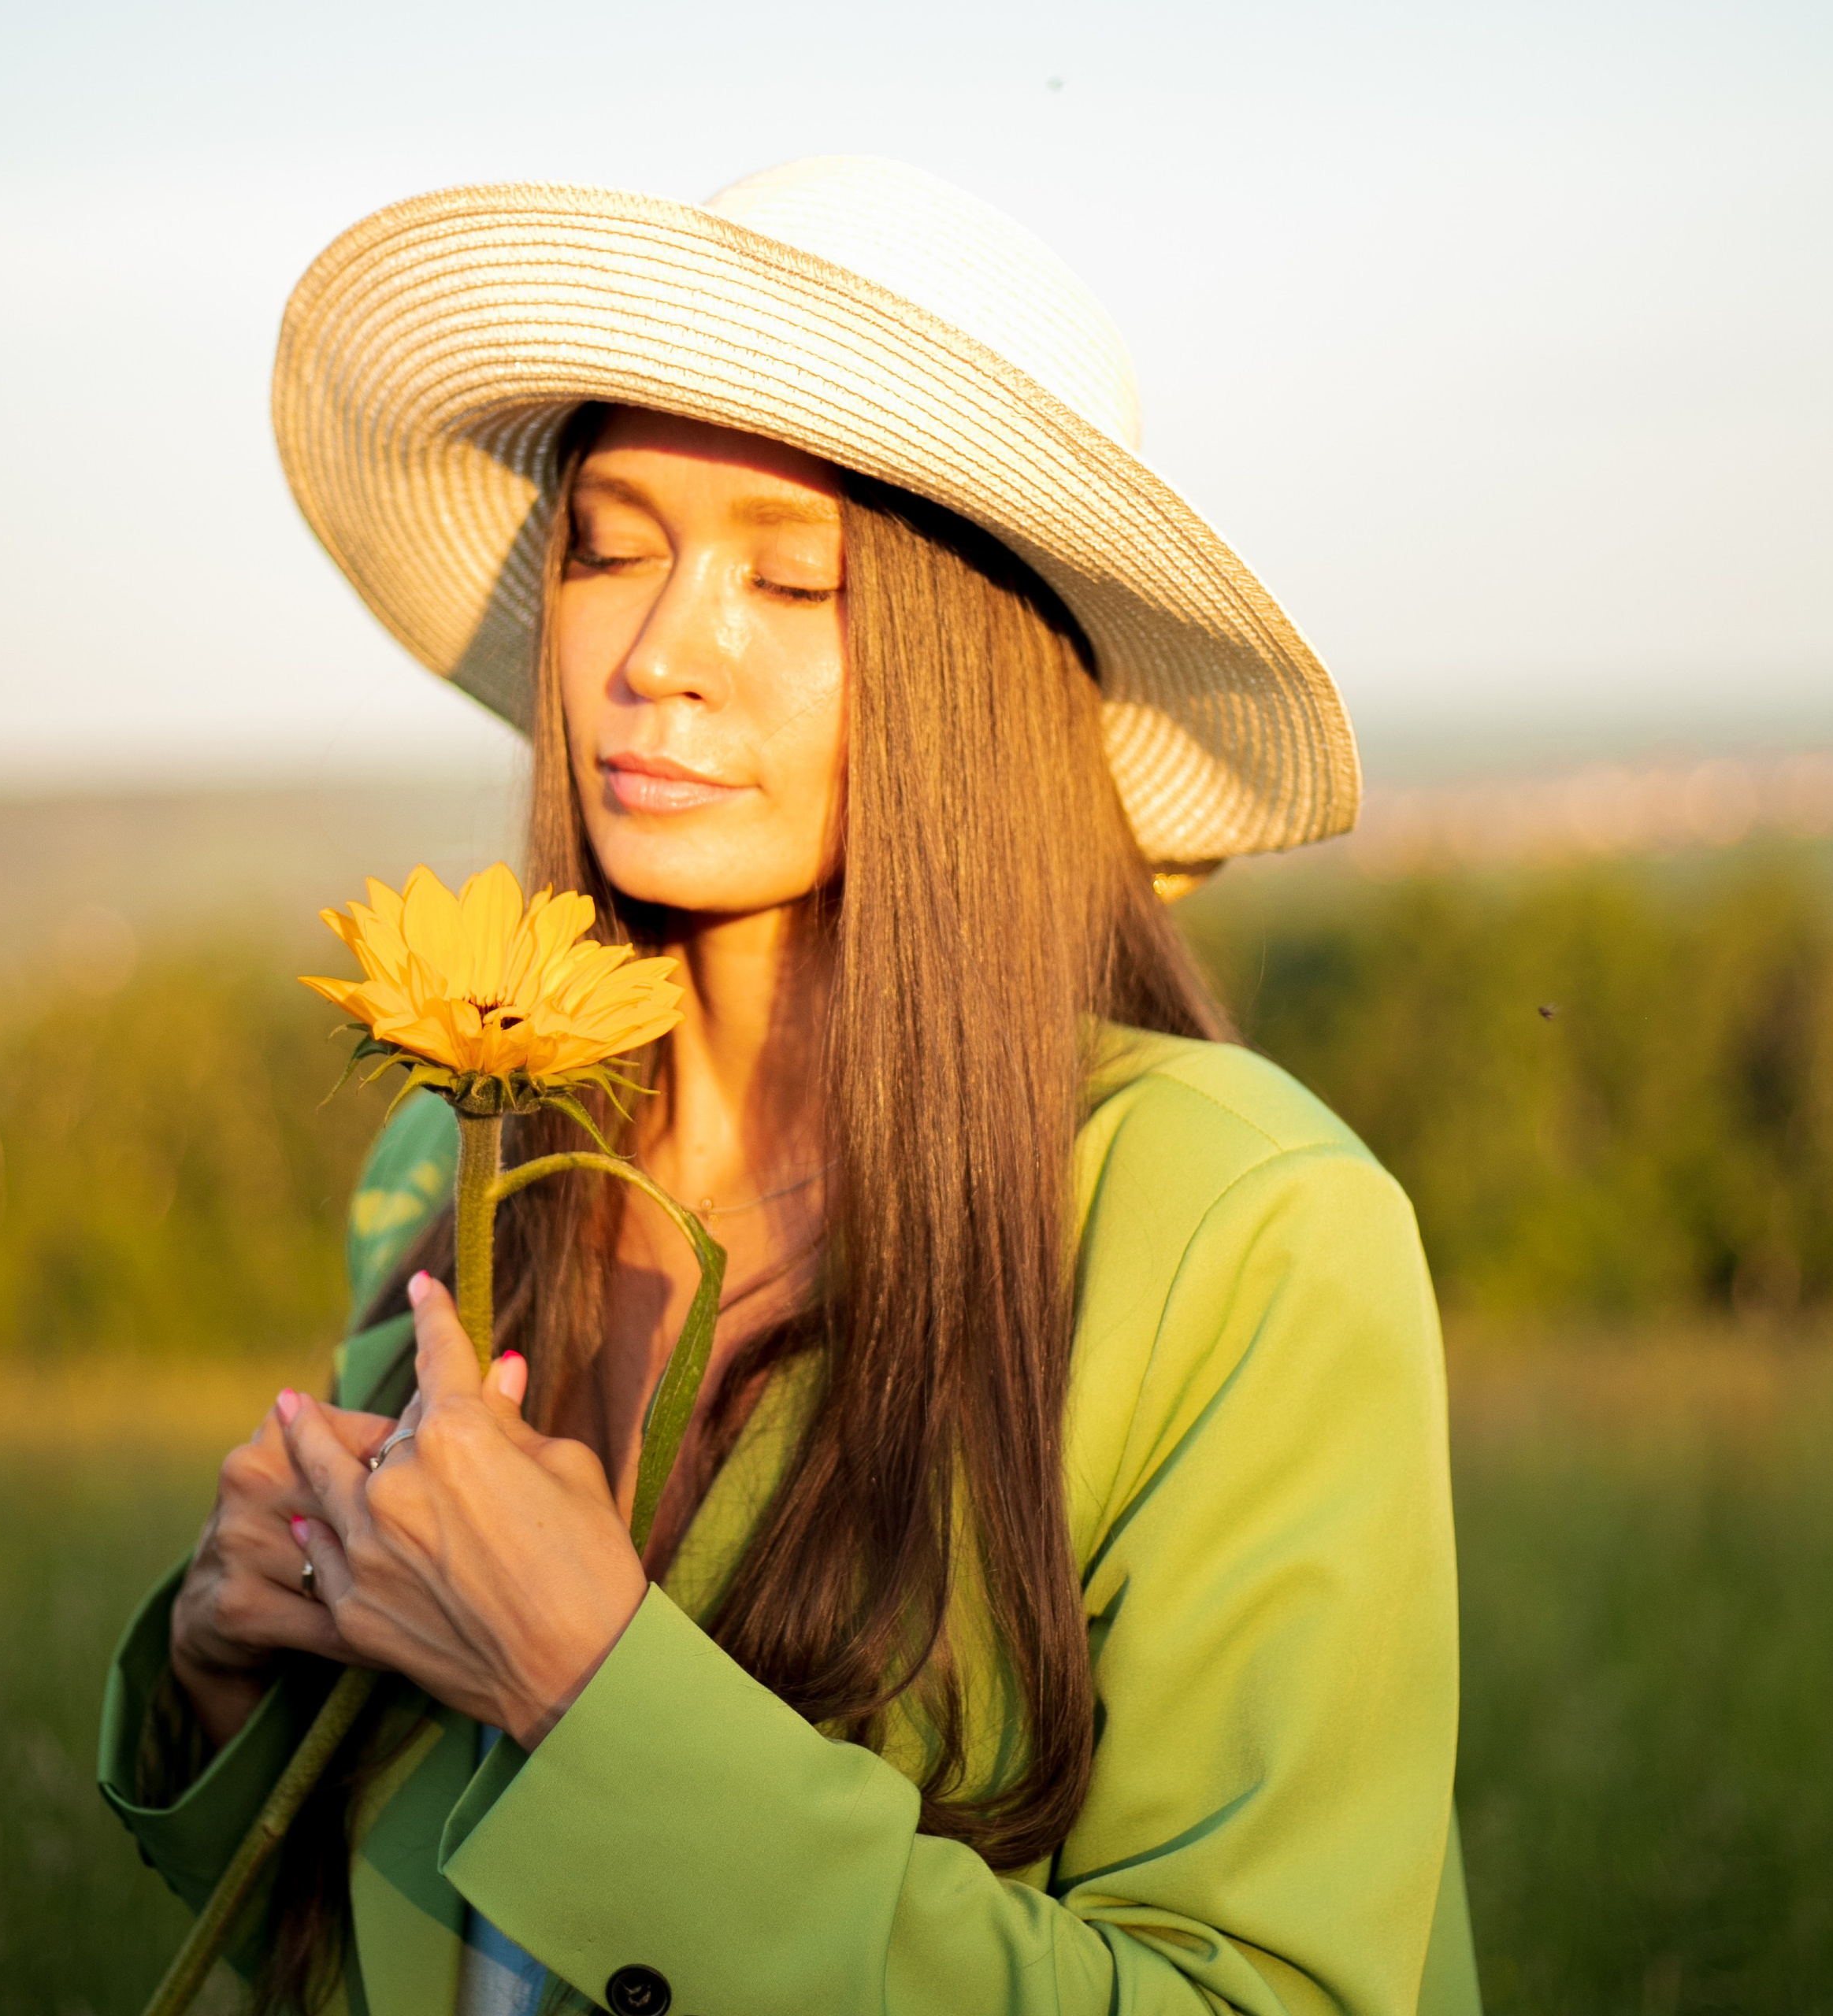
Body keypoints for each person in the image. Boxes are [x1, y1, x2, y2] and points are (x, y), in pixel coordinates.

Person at [100, 157, 1481, 2016]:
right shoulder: (469, 1141)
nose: (655, 655)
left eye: (791, 572)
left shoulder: (1239, 1233)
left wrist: (589, 1685)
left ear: (972, 667)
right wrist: (224, 1673)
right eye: (606, 544)